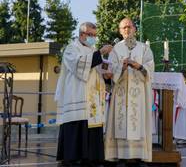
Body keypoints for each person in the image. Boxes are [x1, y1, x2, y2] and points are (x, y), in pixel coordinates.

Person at [54, 22, 113, 166]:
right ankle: (73, 158)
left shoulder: (91, 49)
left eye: (95, 35)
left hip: (92, 98)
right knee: (77, 125)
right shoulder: (71, 48)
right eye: (91, 35)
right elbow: (79, 66)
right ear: (82, 34)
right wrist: (100, 53)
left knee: (92, 125)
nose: (93, 38)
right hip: (76, 95)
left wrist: (106, 74)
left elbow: (95, 70)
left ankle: (92, 157)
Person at [105, 18, 154, 165]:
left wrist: (138, 65)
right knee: (121, 121)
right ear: (120, 31)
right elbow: (110, 70)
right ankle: (121, 156)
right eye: (123, 28)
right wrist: (123, 66)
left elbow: (150, 69)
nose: (127, 30)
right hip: (121, 92)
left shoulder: (144, 48)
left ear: (135, 29)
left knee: (137, 121)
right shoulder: (115, 49)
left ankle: (139, 156)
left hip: (139, 94)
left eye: (129, 27)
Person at [173, 70, 186, 144]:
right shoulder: (180, 84)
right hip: (179, 106)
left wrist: (180, 103)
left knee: (184, 122)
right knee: (179, 122)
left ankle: (184, 137)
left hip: (185, 108)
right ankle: (178, 136)